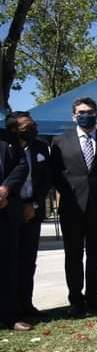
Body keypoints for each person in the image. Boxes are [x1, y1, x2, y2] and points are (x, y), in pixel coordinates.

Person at [51, 97, 97, 317]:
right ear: (74, 116)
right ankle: (76, 300)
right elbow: (55, 174)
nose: (85, 115)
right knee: (73, 255)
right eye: (81, 112)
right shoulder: (59, 141)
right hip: (71, 207)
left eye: (89, 111)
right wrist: (70, 193)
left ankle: (94, 298)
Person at [6, 112, 52, 319]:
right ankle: (12, 310)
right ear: (15, 129)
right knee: (10, 261)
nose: (33, 128)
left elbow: (46, 179)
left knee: (28, 260)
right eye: (27, 126)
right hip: (9, 211)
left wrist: (33, 204)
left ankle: (27, 304)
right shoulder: (6, 148)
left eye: (33, 124)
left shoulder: (41, 147)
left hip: (33, 210)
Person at [0, 136, 30, 330]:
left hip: (6, 210)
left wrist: (5, 189)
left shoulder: (7, 141)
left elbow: (21, 166)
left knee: (8, 265)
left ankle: (9, 315)